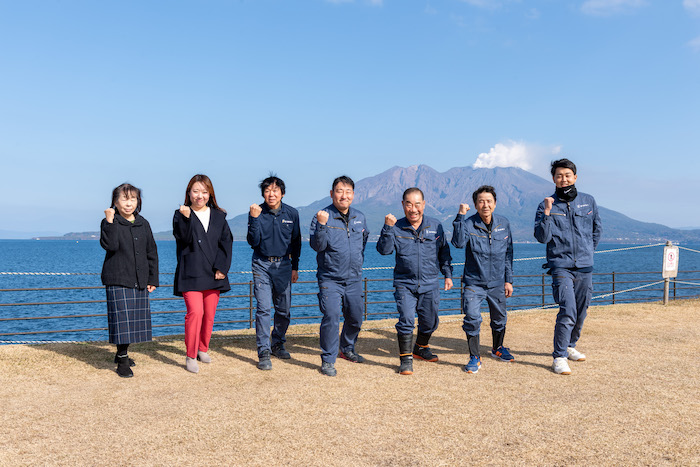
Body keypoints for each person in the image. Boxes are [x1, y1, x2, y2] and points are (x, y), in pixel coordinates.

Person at [534, 159, 601, 375]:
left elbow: (596, 230)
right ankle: (559, 356)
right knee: (568, 310)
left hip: (585, 265)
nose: (564, 179)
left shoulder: (588, 201)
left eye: (567, 175)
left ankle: (571, 345)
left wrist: (588, 252)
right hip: (560, 266)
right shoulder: (547, 204)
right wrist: (546, 212)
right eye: (559, 176)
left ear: (575, 177)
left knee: (581, 311)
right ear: (553, 179)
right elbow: (542, 237)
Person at [376, 187, 453, 375]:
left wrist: (448, 274)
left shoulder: (436, 226)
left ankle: (420, 347)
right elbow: (384, 250)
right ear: (403, 205)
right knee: (406, 320)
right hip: (405, 283)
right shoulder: (395, 226)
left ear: (424, 205)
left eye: (417, 204)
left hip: (430, 283)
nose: (413, 209)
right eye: (408, 204)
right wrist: (387, 228)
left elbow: (444, 252)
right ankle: (406, 359)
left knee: (430, 322)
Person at [173, 174, 233, 374]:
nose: (200, 196)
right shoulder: (180, 214)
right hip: (191, 272)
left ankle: (202, 348)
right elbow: (185, 238)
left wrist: (222, 268)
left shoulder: (219, 216)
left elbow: (226, 243)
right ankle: (190, 355)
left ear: (210, 194)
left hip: (213, 272)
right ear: (188, 193)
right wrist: (188, 217)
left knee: (209, 314)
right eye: (196, 191)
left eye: (204, 192)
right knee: (195, 313)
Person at [310, 175, 369, 377]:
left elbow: (363, 241)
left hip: (353, 279)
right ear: (331, 194)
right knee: (332, 317)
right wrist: (321, 225)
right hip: (330, 279)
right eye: (339, 191)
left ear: (353, 194)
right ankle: (328, 359)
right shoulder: (322, 215)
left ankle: (347, 348)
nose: (344, 196)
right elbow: (318, 246)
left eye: (348, 191)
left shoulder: (360, 217)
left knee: (355, 317)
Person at [452, 185, 514, 374]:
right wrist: (460, 217)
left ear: (495, 203)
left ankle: (497, 348)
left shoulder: (503, 223)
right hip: (474, 282)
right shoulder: (469, 224)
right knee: (472, 317)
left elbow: (508, 253)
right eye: (481, 201)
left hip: (497, 281)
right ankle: (474, 357)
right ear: (475, 205)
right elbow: (458, 243)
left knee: (499, 318)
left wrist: (508, 280)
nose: (485, 205)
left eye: (489, 201)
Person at [100, 183, 159, 378]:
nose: (128, 203)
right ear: (115, 202)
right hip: (118, 278)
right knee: (122, 321)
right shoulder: (110, 221)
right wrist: (109, 222)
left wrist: (153, 279)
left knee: (132, 321)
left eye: (133, 199)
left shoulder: (143, 223)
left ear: (138, 201)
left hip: (139, 278)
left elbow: (151, 251)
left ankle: (120, 352)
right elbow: (111, 246)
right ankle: (123, 360)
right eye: (124, 199)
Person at [247, 175, 302, 370]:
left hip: (284, 265)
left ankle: (277, 342)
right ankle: (263, 351)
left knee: (283, 309)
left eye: (275, 190)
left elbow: (296, 242)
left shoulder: (292, 214)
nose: (271, 194)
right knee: (263, 309)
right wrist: (254, 219)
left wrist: (295, 266)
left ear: (282, 193)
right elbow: (253, 241)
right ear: (263, 193)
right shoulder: (257, 212)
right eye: (268, 190)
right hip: (261, 264)